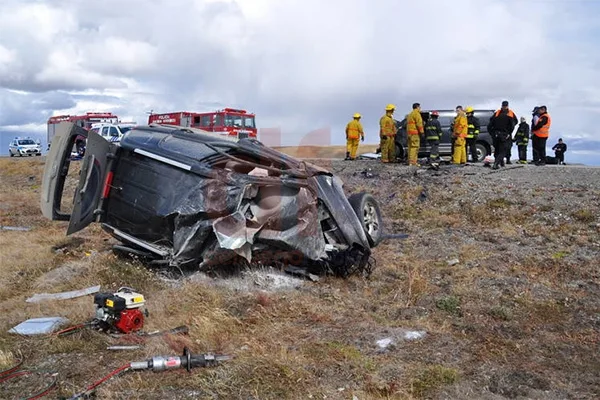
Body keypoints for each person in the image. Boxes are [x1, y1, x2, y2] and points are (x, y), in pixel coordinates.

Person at [488, 101, 518, 169]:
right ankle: (496, 164)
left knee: (498, 149)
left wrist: (492, 133)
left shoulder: (498, 114)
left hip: (497, 134)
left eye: (505, 106)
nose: (504, 107)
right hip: (504, 134)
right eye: (504, 106)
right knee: (503, 150)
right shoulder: (508, 115)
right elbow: (513, 124)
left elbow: (490, 125)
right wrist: (508, 133)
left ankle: (500, 163)